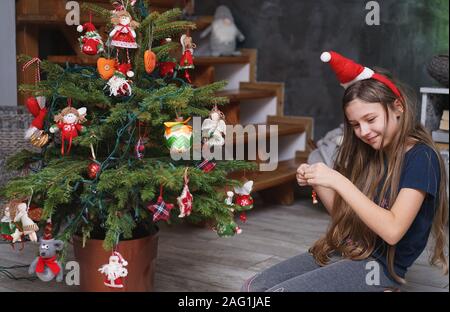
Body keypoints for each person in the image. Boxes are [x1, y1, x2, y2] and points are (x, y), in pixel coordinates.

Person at [242, 51, 448, 292]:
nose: (364, 131)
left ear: (397, 107)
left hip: (379, 266)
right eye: (355, 125)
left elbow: (392, 232)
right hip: (353, 246)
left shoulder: (422, 158)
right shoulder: (372, 152)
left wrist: (339, 181)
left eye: (371, 119)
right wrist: (318, 182)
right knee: (253, 288)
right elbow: (347, 217)